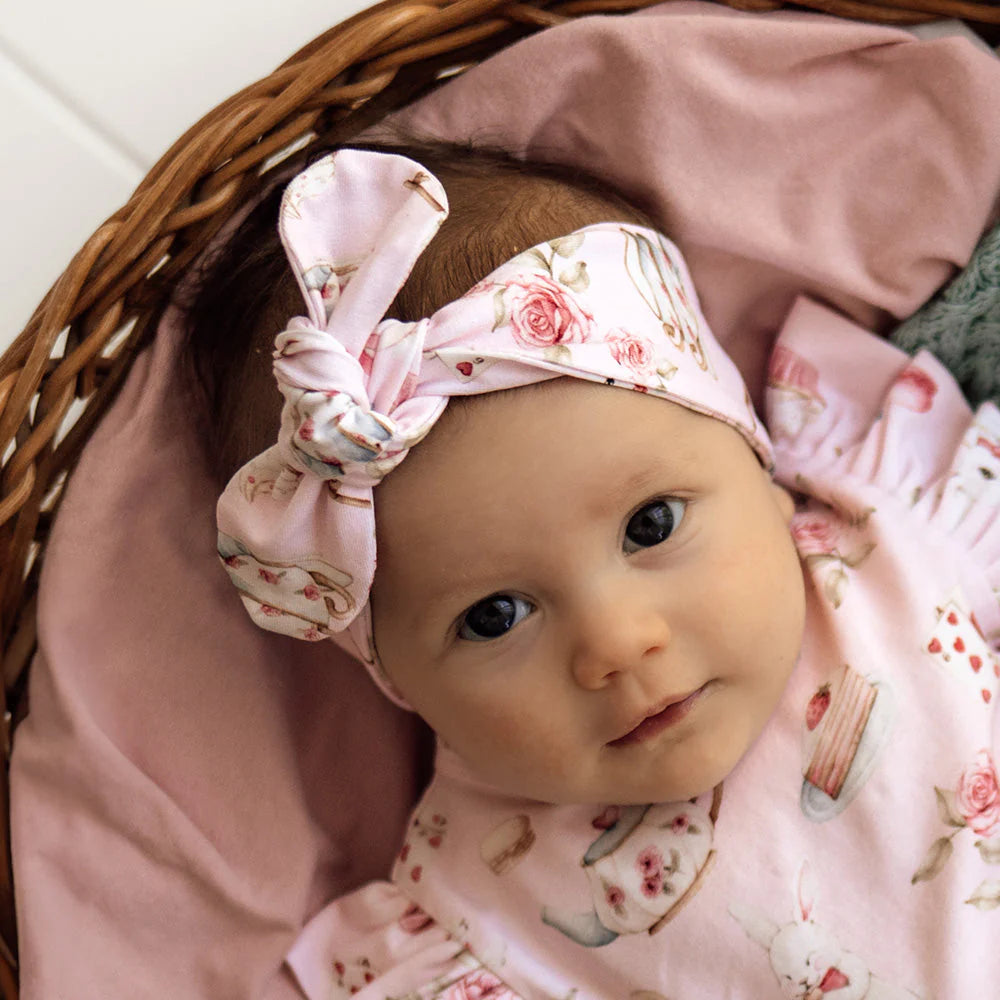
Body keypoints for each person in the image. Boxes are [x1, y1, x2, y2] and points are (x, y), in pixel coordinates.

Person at [187, 143, 1000, 999]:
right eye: (495, 616)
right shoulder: (484, 916)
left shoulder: (908, 538)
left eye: (652, 526)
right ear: (396, 680)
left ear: (756, 461)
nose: (615, 643)